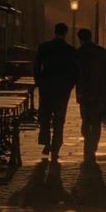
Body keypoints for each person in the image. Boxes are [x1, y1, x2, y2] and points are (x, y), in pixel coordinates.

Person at [34, 23, 77, 162]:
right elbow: (73, 71)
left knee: (45, 116)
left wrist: (39, 81)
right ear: (65, 33)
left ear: (54, 31)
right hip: (62, 89)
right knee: (59, 118)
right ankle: (56, 145)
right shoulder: (69, 50)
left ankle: (46, 142)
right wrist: (69, 86)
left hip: (46, 87)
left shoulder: (45, 47)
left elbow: (37, 65)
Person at [75, 28, 106, 164]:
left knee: (86, 117)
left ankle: (87, 141)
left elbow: (76, 73)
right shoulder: (101, 52)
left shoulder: (79, 53)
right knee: (96, 120)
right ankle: (93, 145)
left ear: (80, 39)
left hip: (84, 92)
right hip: (99, 91)